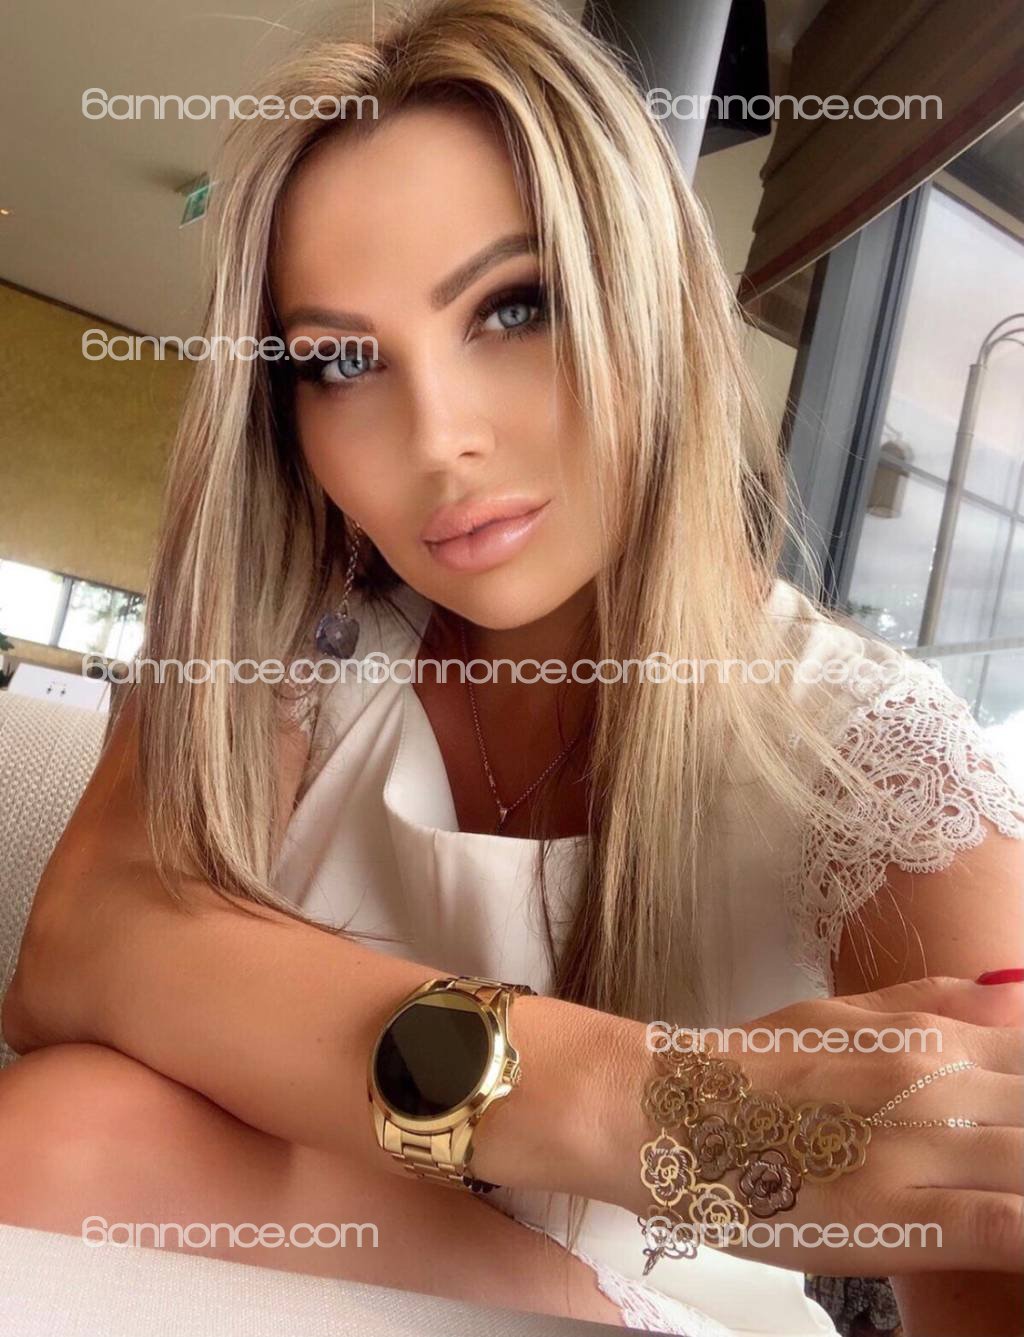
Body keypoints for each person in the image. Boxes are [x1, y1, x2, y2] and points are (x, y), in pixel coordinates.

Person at [2, 2, 1022, 1334]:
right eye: (341, 361)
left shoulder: (868, 750)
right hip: (246, 1262)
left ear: (654, 299)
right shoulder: (294, 636)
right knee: (69, 1131)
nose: (438, 438)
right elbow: (81, 949)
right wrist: (652, 1106)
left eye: (514, 306)